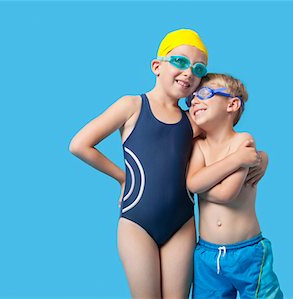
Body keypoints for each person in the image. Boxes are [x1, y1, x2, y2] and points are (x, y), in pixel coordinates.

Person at [69, 29, 266, 298]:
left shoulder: (193, 121)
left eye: (198, 68)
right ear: (157, 66)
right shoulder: (132, 106)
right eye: (181, 62)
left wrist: (262, 158)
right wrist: (123, 178)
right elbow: (79, 145)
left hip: (181, 225)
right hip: (137, 222)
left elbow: (226, 139)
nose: (188, 72)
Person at [187, 73, 283, 299]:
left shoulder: (242, 141)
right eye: (191, 98)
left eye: (204, 94)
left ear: (232, 104)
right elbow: (193, 182)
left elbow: (226, 193)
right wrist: (236, 161)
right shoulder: (199, 146)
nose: (194, 101)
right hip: (207, 254)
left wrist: (202, 182)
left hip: (247, 252)